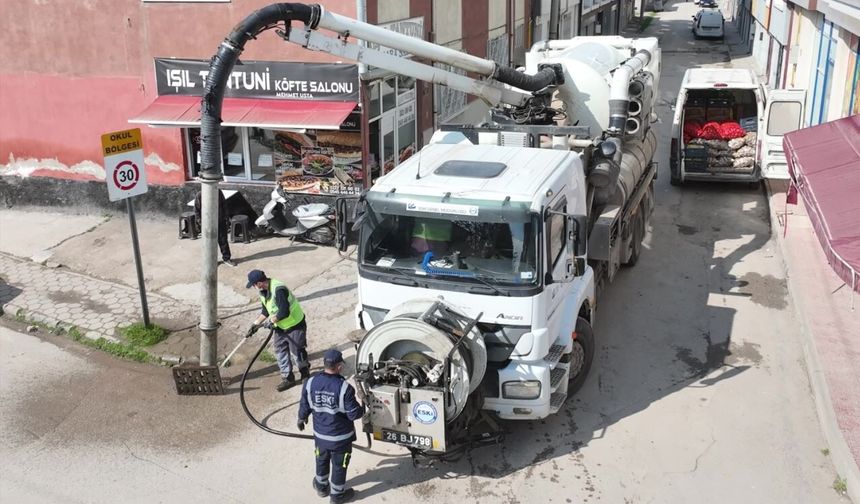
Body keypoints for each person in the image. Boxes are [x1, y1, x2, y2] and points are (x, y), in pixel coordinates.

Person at [298, 349, 365, 504]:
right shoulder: (344, 388)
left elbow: (304, 404)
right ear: (339, 366)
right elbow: (354, 415)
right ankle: (337, 495)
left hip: (320, 437)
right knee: (339, 465)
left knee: (321, 459)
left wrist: (301, 418)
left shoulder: (310, 382)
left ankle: (321, 487)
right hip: (340, 439)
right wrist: (363, 405)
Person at [246, 269, 309, 391]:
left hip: (294, 325)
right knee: (280, 351)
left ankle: (305, 374)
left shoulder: (278, 289)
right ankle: (288, 378)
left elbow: (284, 312)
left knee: (297, 352)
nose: (254, 287)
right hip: (280, 327)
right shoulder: (263, 292)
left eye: (253, 285)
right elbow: (265, 311)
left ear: (259, 283)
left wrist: (271, 321)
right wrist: (255, 324)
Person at [194, 188, 237, 267]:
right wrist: (201, 223)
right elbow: (197, 210)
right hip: (208, 224)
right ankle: (211, 261)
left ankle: (226, 258)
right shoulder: (200, 195)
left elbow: (224, 204)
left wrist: (226, 218)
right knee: (209, 243)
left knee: (223, 240)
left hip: (220, 221)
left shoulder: (218, 192)